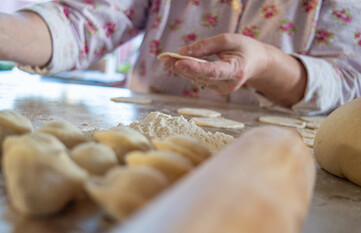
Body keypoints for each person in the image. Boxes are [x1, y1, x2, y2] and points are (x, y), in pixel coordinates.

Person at [0, 0, 360, 115]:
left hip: (281, 163)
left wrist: (266, 64)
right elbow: (82, 22)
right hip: (150, 147)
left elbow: (346, 85)